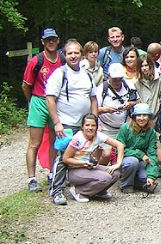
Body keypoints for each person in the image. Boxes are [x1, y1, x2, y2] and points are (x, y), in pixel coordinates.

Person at [46, 39, 98, 205]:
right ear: (64, 55)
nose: (73, 56)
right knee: (63, 157)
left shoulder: (87, 75)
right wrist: (57, 123)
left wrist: (94, 120)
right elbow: (50, 99)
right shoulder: (59, 74)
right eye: (70, 53)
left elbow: (93, 98)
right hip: (66, 124)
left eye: (76, 53)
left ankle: (78, 186)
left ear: (81, 55)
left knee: (83, 154)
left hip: (84, 125)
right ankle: (57, 190)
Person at [23, 28, 64, 192]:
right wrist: (32, 101)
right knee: (35, 142)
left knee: (55, 140)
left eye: (53, 39)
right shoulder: (36, 61)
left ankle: (52, 172)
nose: (51, 42)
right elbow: (26, 85)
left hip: (56, 101)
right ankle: (31, 178)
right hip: (39, 100)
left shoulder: (62, 59)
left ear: (58, 40)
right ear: (43, 42)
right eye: (48, 40)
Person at [63, 114, 123, 202]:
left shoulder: (98, 136)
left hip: (89, 167)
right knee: (105, 177)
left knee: (115, 173)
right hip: (75, 170)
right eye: (87, 125)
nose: (90, 128)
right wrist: (83, 163)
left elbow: (119, 145)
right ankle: (78, 191)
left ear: (96, 127)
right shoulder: (77, 139)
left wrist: (117, 164)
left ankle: (99, 191)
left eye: (93, 125)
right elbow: (65, 159)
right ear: (82, 127)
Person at [97, 63, 140, 164]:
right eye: (114, 79)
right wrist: (106, 109)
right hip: (106, 128)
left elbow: (138, 101)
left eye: (119, 78)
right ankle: (101, 172)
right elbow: (94, 109)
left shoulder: (128, 86)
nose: (117, 81)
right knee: (106, 154)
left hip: (124, 128)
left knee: (124, 152)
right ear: (109, 76)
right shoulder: (102, 89)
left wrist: (130, 104)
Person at [116, 103, 158, 193]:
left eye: (145, 115)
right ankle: (126, 185)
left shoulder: (151, 132)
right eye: (139, 115)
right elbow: (119, 149)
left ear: (149, 117)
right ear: (134, 116)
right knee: (132, 162)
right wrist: (140, 154)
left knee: (145, 178)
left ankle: (139, 182)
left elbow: (152, 155)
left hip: (142, 161)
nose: (141, 118)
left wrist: (152, 176)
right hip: (124, 158)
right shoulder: (125, 128)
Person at [135, 54, 161, 123]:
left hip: (157, 115)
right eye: (142, 66)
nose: (144, 68)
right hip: (143, 116)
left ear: (150, 65)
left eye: (146, 65)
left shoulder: (160, 77)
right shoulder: (137, 81)